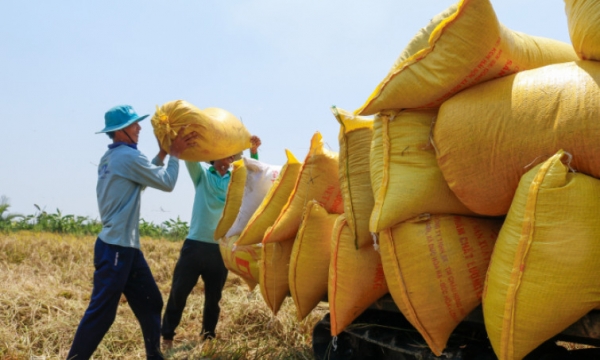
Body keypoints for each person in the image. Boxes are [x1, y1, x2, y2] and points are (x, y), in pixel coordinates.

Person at [67, 104, 199, 360]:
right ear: (120, 131)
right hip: (116, 248)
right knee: (102, 314)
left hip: (125, 248)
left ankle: (154, 356)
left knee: (151, 301)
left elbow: (139, 179)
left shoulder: (112, 157)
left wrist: (161, 156)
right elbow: (166, 183)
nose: (139, 128)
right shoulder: (127, 156)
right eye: (133, 124)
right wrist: (175, 154)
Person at [161, 135, 262, 350]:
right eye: (222, 157)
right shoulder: (202, 177)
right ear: (213, 159)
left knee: (214, 297)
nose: (226, 161)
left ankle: (208, 337)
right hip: (195, 245)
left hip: (220, 248)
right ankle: (167, 335)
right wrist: (191, 139)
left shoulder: (235, 180)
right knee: (179, 291)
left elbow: (254, 178)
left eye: (230, 157)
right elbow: (191, 160)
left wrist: (253, 151)